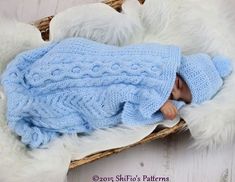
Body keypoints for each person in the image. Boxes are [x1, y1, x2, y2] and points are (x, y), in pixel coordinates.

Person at [1, 37, 232, 148]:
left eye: (179, 99)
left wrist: (160, 107)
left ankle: (36, 101)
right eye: (178, 84)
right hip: (89, 59)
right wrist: (159, 101)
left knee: (77, 102)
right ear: (175, 66)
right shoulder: (156, 59)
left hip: (99, 98)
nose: (172, 93)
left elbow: (130, 113)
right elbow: (128, 62)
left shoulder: (165, 98)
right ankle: (40, 83)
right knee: (72, 74)